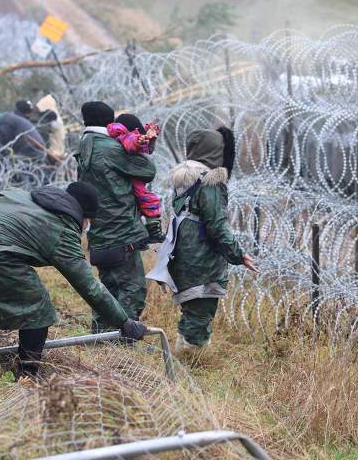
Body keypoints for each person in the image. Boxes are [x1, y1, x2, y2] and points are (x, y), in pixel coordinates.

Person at [0, 182, 148, 377]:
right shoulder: (62, 229)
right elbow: (89, 286)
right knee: (38, 307)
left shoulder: (21, 194)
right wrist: (124, 322)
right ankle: (28, 373)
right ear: (83, 216)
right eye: (88, 221)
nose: (86, 227)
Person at [148, 127, 257, 355]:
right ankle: (192, 362)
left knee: (192, 311)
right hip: (202, 260)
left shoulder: (184, 179)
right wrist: (238, 254)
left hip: (182, 254)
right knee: (200, 312)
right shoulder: (210, 181)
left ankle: (181, 356)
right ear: (216, 151)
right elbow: (216, 224)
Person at [76, 101, 156, 332]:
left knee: (108, 289)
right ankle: (122, 344)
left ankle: (100, 339)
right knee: (132, 291)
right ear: (110, 122)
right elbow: (147, 170)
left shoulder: (84, 145)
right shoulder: (110, 148)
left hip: (99, 232)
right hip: (122, 232)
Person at [107, 113, 165, 243]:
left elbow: (146, 148)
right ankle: (153, 231)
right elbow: (132, 143)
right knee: (147, 199)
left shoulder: (125, 134)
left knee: (142, 202)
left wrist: (150, 136)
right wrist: (139, 142)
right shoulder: (127, 136)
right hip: (132, 177)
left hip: (131, 174)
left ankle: (148, 230)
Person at [35, 93, 67, 165]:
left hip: (55, 154)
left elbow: (43, 128)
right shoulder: (56, 119)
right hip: (56, 152)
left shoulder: (55, 122)